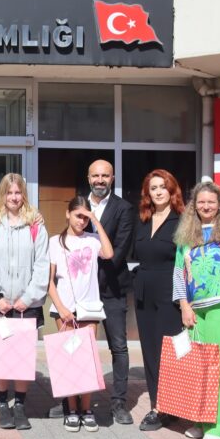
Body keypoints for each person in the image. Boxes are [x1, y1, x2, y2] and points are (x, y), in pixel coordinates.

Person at [0, 173, 49, 431]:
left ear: (24, 195)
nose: (13, 197)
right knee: (1, 355)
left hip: (25, 303)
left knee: (22, 356)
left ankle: (19, 405)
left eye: (18, 192)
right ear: (2, 195)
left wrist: (27, 298)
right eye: (9, 193)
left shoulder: (36, 225)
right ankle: (2, 405)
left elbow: (42, 266)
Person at [172, 179, 220, 439]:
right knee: (199, 367)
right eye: (201, 202)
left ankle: (219, 425)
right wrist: (183, 306)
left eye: (211, 201)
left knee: (219, 368)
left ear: (219, 204)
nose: (206, 206)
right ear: (194, 206)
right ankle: (200, 421)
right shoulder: (187, 237)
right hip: (195, 311)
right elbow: (179, 273)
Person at [48, 196, 114, 433]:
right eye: (78, 216)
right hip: (64, 309)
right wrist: (62, 308)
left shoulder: (93, 240)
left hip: (89, 308)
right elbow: (49, 281)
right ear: (67, 214)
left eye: (85, 218)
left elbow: (108, 253)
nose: (82, 222)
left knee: (86, 361)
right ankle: (71, 410)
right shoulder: (55, 242)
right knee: (68, 360)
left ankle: (86, 410)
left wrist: (96, 220)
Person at [132, 169, 185, 431]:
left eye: (163, 187)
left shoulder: (183, 220)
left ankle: (164, 407)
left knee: (169, 351)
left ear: (172, 189)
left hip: (169, 292)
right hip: (143, 292)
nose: (159, 192)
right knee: (150, 351)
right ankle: (159, 403)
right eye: (153, 188)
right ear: (148, 193)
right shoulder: (143, 219)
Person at [85, 159, 136, 425]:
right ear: (88, 177)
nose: (100, 180)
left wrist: (88, 269)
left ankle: (118, 403)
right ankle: (74, 402)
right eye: (96, 175)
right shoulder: (78, 206)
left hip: (112, 289)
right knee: (81, 347)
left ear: (112, 178)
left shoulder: (124, 209)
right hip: (82, 292)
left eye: (105, 175)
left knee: (118, 347)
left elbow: (117, 254)